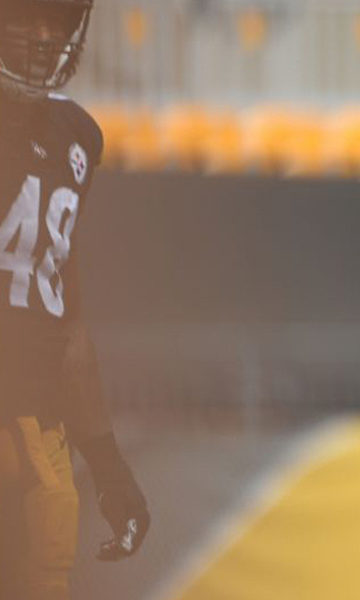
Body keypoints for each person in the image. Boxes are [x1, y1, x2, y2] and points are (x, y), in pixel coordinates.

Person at [0, 1, 151, 598]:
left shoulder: (75, 137)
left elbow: (65, 317)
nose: (43, 38)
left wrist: (107, 463)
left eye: (56, 22)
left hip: (39, 438)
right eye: (24, 16)